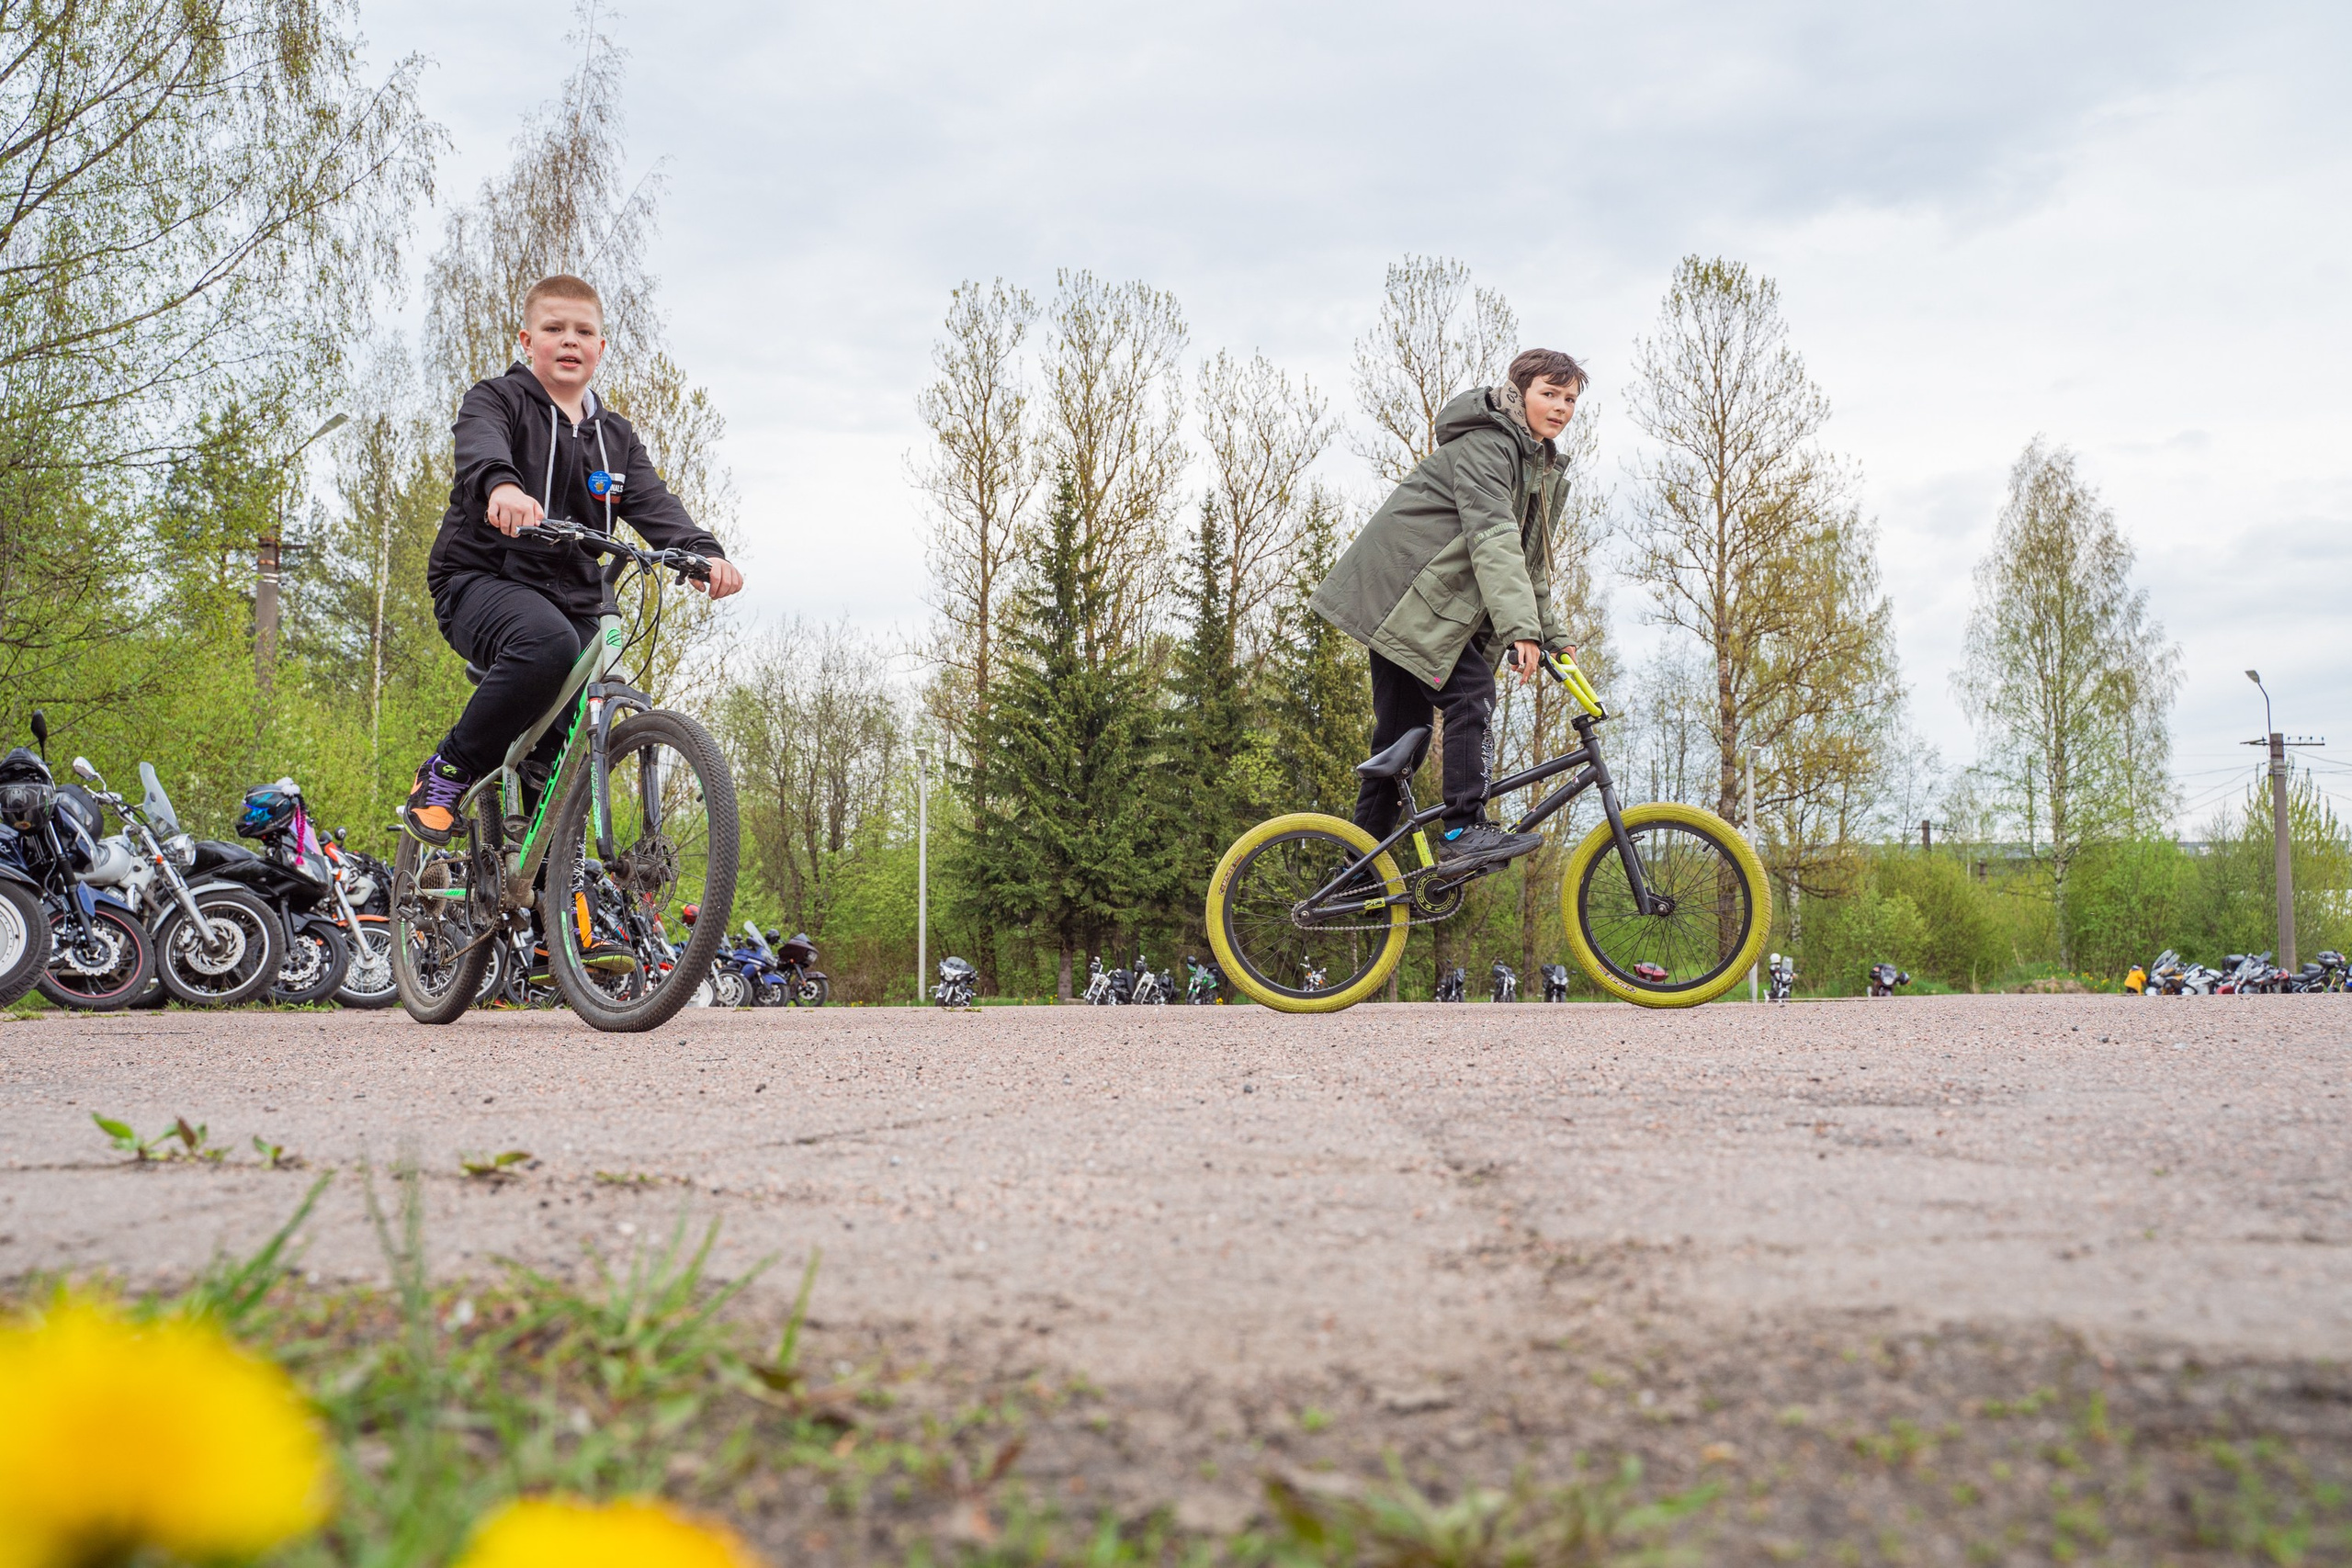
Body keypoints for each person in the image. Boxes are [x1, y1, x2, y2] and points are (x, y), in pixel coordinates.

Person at [403, 275, 743, 844]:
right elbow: (481, 446)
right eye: (554, 329)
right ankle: (449, 769)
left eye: (583, 332)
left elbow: (653, 502)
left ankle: (550, 871)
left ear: (600, 347)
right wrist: (502, 487)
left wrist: (701, 552)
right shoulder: (497, 400)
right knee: (549, 644)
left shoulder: (616, 437)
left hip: (575, 596)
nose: (569, 341)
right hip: (481, 579)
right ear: (527, 340)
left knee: (590, 684)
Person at [1309, 348, 1585, 863]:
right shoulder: (1489, 447)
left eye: (1569, 399)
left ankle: (1357, 869)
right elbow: (1495, 542)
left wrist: (1552, 635)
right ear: (1518, 392)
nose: (1561, 407)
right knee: (1471, 694)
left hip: (1410, 604)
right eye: (1549, 394)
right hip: (1404, 599)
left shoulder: (1535, 467)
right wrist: (1522, 631)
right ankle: (1463, 830)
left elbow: (1527, 565)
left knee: (1402, 743)